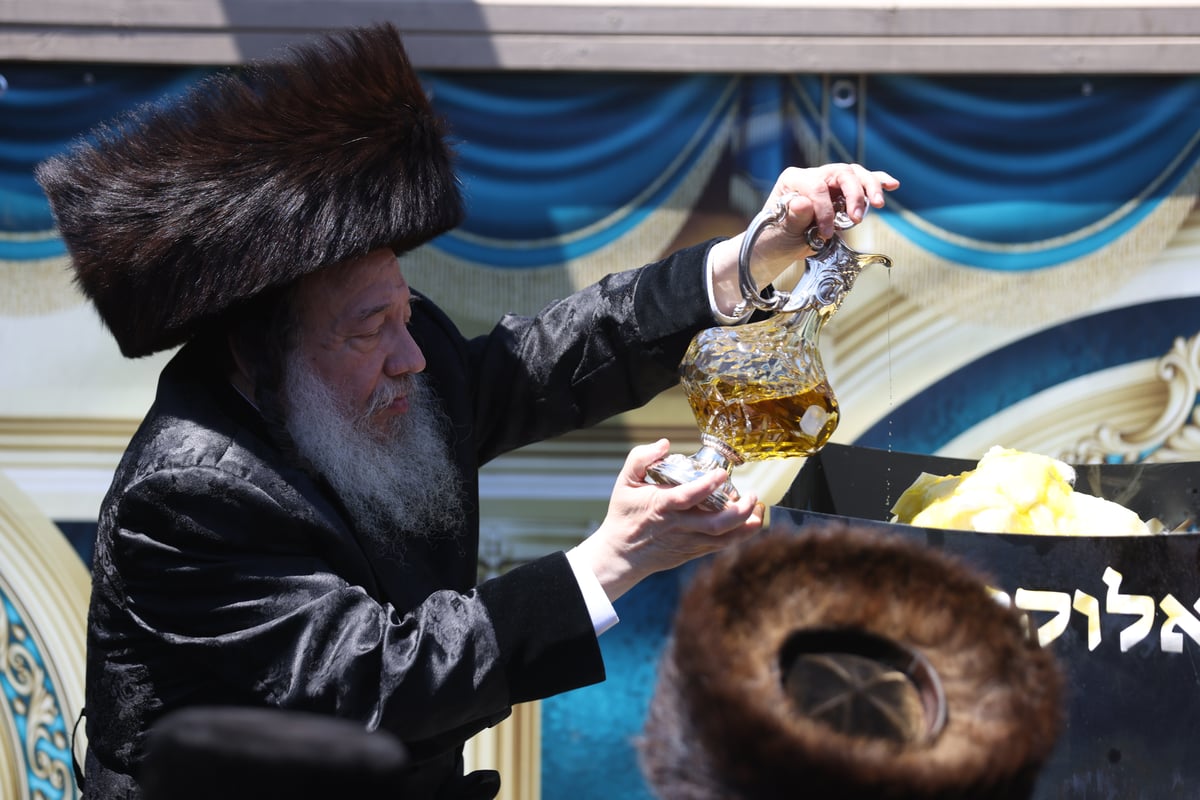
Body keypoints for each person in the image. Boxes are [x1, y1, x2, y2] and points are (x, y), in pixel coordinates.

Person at [36, 22, 899, 800]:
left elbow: (558, 355)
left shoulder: (404, 358)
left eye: (402, 312)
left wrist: (755, 252)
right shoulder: (185, 498)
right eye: (369, 329)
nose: (410, 355)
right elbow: (373, 686)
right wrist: (611, 560)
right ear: (257, 353)